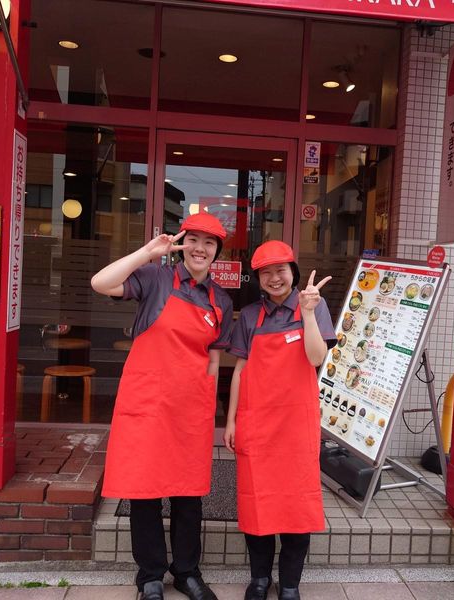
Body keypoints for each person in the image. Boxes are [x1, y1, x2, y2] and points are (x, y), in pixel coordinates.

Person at [91, 213, 233, 600]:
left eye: (209, 242)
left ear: (217, 251)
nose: (200, 248)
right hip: (149, 402)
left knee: (189, 495)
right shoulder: (155, 277)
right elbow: (100, 282)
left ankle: (186, 572)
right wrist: (147, 253)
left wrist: (207, 406)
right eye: (194, 240)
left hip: (190, 407)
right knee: (144, 492)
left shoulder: (221, 300)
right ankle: (150, 575)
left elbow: (214, 359)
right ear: (182, 244)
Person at [223, 241, 336, 600]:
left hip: (296, 426)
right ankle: (260, 579)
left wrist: (308, 313)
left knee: (296, 507)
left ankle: (289, 583)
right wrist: (231, 421)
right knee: (256, 504)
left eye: (280, 270)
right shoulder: (250, 315)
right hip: (256, 424)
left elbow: (316, 358)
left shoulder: (314, 305)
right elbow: (239, 370)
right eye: (266, 273)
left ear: (293, 272)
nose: (274, 278)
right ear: (258, 279)